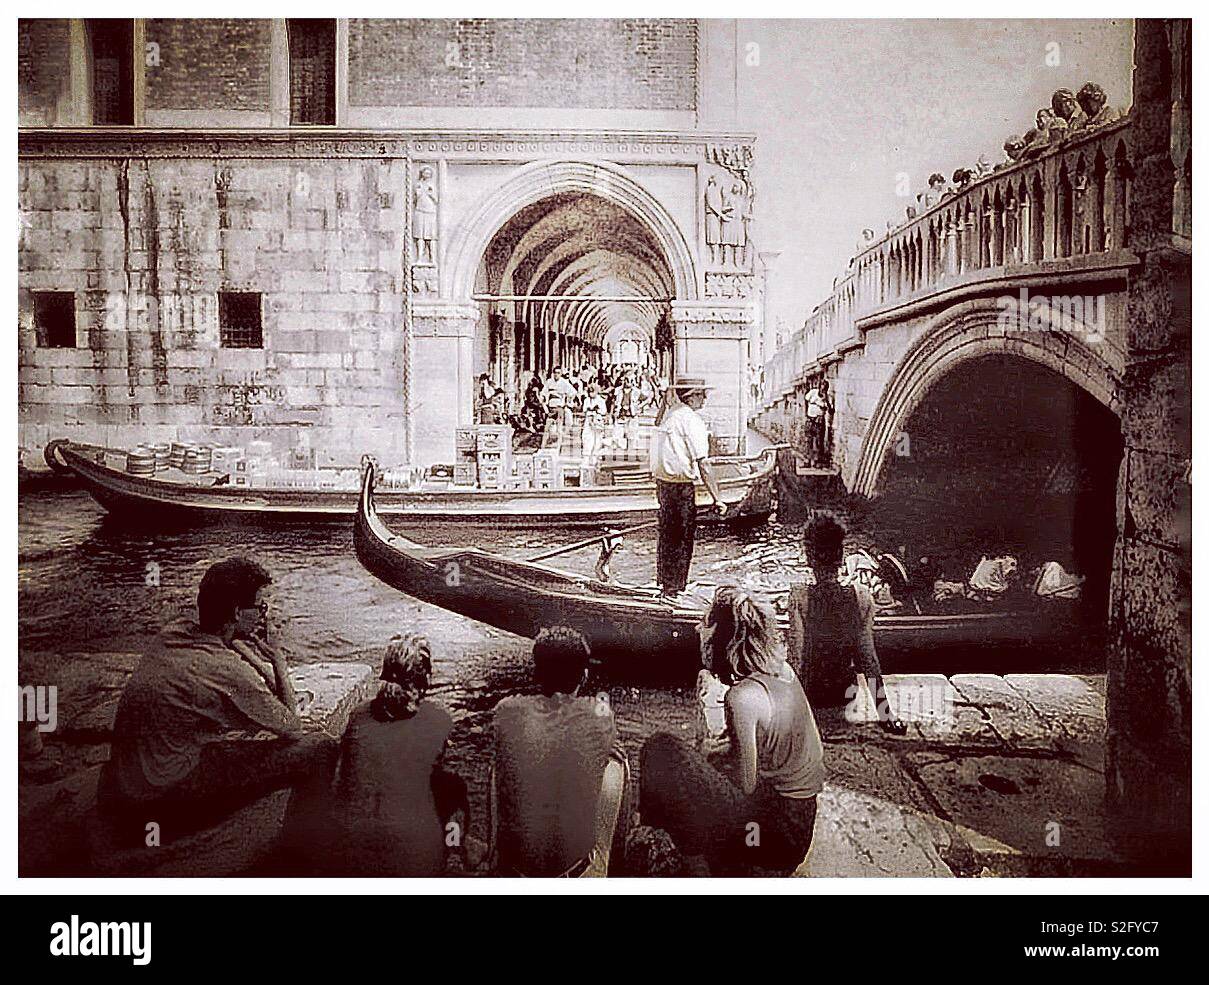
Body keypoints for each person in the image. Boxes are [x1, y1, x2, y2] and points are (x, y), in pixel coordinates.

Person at [98, 558, 339, 847]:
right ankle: (308, 845)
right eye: (260, 607)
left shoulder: (174, 632)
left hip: (125, 786)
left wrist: (249, 649)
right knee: (321, 746)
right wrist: (277, 661)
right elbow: (292, 726)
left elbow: (228, 644)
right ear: (238, 612)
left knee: (229, 732)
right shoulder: (224, 669)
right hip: (160, 799)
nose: (264, 615)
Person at [638, 587, 823, 876]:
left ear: (722, 637)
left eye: (705, 623)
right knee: (702, 763)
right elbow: (771, 749)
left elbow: (745, 784)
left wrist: (703, 757)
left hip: (770, 838)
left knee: (661, 748)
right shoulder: (781, 670)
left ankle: (694, 865)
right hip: (798, 826)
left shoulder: (741, 697)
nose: (699, 628)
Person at [322, 634, 470, 876]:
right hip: (413, 859)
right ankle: (455, 848)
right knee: (454, 789)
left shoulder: (358, 716)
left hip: (347, 851)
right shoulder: (438, 719)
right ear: (427, 678)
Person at [489, 627, 629, 877]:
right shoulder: (600, 714)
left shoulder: (506, 710)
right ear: (584, 676)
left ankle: (493, 856)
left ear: (536, 673)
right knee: (617, 765)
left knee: (497, 766)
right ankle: (610, 866)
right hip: (572, 872)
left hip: (516, 870)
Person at [787, 515, 907, 734]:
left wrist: (791, 714)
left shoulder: (798, 596)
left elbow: (797, 658)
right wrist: (886, 715)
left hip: (812, 697)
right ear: (841, 557)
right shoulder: (861, 596)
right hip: (844, 693)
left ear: (809, 559)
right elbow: (868, 658)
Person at [649, 377, 727, 596]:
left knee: (666, 537)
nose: (704, 398)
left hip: (663, 486)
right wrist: (717, 498)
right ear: (691, 396)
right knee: (682, 540)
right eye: (701, 394)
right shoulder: (691, 420)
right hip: (681, 487)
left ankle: (666, 585)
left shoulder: (669, 416)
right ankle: (676, 589)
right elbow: (703, 462)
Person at [804, 378, 827, 466]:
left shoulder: (827, 397)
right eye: (822, 386)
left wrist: (826, 400)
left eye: (825, 387)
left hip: (819, 421)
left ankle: (816, 461)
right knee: (808, 440)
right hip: (810, 419)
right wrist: (806, 413)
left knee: (818, 441)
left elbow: (830, 409)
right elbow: (806, 400)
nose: (823, 388)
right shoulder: (813, 392)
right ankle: (807, 460)